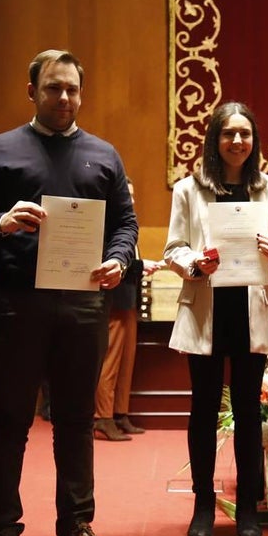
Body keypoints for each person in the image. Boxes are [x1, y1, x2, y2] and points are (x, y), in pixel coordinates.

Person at [0, 49, 138, 536]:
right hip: (17, 305)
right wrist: (4, 222)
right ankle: (1, 534)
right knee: (9, 420)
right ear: (31, 90)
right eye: (53, 88)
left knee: (78, 421)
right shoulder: (1, 150)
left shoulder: (104, 155)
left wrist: (119, 259)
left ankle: (77, 526)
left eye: (72, 89)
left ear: (82, 94)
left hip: (83, 305)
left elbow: (125, 222)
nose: (64, 98)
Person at [164, 102, 268, 536]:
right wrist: (193, 261)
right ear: (214, 139)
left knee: (250, 415)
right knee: (202, 411)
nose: (237, 142)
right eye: (228, 134)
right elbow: (174, 247)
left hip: (250, 309)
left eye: (245, 134)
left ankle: (249, 510)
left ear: (255, 142)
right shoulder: (188, 190)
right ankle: (201, 503)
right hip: (207, 307)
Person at [94, 180, 162, 442]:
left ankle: (119, 413)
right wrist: (142, 266)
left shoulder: (125, 223)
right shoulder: (105, 223)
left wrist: (141, 265)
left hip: (127, 299)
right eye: (127, 195)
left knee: (126, 361)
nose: (131, 200)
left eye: (133, 195)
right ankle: (102, 417)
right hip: (111, 299)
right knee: (109, 362)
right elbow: (106, 260)